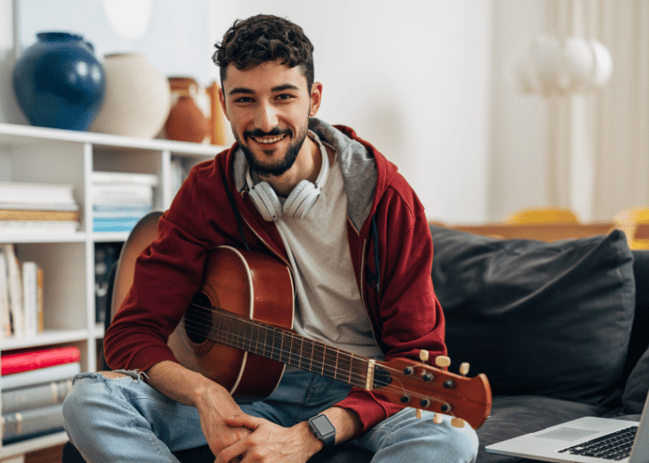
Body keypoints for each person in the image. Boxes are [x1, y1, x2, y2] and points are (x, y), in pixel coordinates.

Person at [63, 14, 479, 463]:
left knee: (450, 438)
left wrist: (312, 433)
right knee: (88, 400)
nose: (265, 121)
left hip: (361, 393)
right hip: (245, 391)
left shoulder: (386, 198)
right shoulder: (207, 190)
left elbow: (417, 358)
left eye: (284, 97)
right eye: (245, 100)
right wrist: (204, 392)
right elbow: (131, 331)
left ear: (313, 99)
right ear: (224, 104)